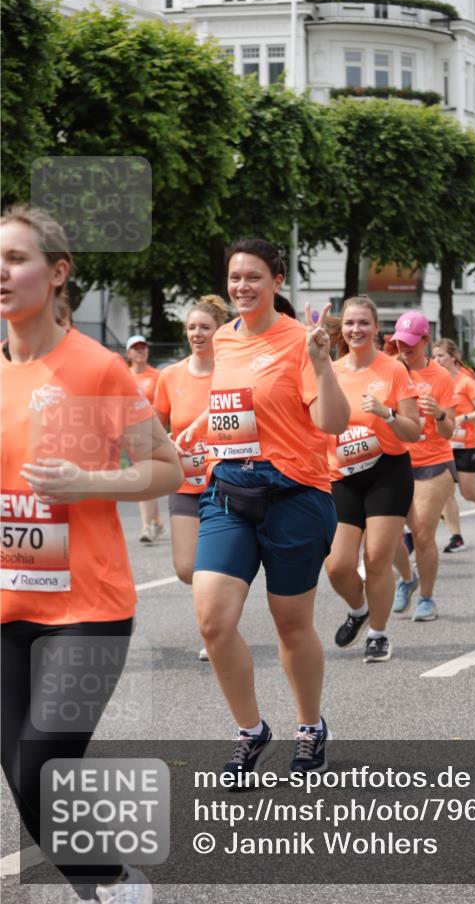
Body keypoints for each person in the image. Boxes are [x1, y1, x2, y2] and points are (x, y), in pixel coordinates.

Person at [1, 205, 183, 903]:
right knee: (23, 779)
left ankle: (112, 883)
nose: (2, 271)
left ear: (57, 272)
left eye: (16, 258)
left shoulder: (94, 369)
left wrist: (90, 482)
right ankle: (106, 885)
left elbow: (167, 467)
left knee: (42, 765)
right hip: (7, 606)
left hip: (85, 610)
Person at [178, 238, 349, 776]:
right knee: (212, 621)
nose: (242, 287)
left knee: (290, 624)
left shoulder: (302, 341)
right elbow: (235, 407)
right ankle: (251, 731)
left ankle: (309, 726)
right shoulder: (223, 342)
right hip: (228, 493)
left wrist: (322, 366)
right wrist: (195, 430)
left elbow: (333, 423)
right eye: (235, 278)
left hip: (295, 497)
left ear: (277, 282)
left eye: (254, 277)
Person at [324, 296, 420, 662]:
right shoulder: (331, 371)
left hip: (387, 471)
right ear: (342, 328)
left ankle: (378, 633)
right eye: (350, 323)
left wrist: (387, 413)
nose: (356, 330)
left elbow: (414, 432)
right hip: (343, 474)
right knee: (336, 565)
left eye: (364, 323)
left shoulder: (393, 370)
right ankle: (359, 609)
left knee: (377, 556)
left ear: (376, 328)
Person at [153, 295, 230, 661]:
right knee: (187, 568)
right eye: (192, 328)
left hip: (224, 481)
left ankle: (214, 627)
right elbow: (155, 425)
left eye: (205, 328)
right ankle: (221, 606)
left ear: (218, 332)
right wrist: (164, 441)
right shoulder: (170, 376)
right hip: (185, 481)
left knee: (209, 567)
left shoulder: (231, 373)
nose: (197, 334)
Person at [389, 311, 456, 621]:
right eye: (399, 343)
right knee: (386, 534)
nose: (404, 349)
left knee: (422, 532)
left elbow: (449, 431)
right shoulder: (389, 370)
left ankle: (427, 598)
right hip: (394, 460)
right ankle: (407, 578)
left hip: (433, 462)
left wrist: (440, 413)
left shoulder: (440, 376)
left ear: (426, 340)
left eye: (411, 344)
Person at [432, 338, 475, 553]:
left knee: (468, 493)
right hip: (445, 446)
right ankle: (456, 537)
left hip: (468, 444)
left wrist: (464, 418)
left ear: (453, 357)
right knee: (446, 493)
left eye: (441, 355)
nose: (437, 360)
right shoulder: (436, 381)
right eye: (434, 356)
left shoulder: (465, 381)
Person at [126, 335, 164, 543]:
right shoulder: (124, 375)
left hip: (151, 432)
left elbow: (162, 405)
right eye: (136, 348)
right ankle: (156, 521)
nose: (140, 351)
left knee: (143, 477)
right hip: (129, 433)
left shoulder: (156, 375)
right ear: (128, 353)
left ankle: (147, 526)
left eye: (143, 347)